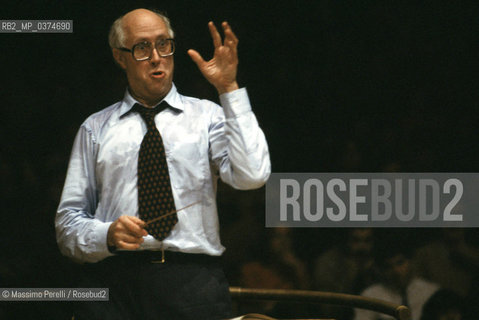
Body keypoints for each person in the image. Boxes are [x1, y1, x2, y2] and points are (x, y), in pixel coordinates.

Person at [55, 8, 270, 320]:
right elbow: (67, 226)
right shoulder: (95, 128)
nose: (156, 57)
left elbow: (252, 176)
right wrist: (108, 234)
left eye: (164, 44)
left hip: (192, 283)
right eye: (142, 48)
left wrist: (228, 89)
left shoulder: (207, 116)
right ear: (120, 57)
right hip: (112, 285)